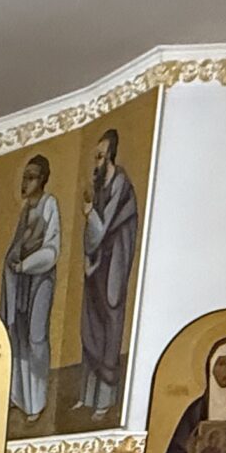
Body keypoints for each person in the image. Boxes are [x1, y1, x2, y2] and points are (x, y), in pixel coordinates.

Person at [78, 131, 139, 419]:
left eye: (100, 156)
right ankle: (87, 396)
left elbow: (102, 229)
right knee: (92, 325)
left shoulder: (121, 185)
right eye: (95, 157)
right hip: (97, 266)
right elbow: (92, 238)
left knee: (110, 329)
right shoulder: (100, 185)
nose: (96, 162)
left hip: (113, 266)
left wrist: (90, 213)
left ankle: (103, 400)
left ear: (111, 156)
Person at [1, 154, 61, 419]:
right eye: (24, 177)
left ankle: (36, 402)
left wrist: (26, 264)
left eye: (31, 177)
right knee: (19, 336)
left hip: (40, 279)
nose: (25, 183)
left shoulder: (49, 204)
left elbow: (52, 248)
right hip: (21, 281)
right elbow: (17, 246)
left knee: (36, 338)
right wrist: (13, 263)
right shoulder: (25, 211)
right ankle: (19, 395)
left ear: (43, 179)